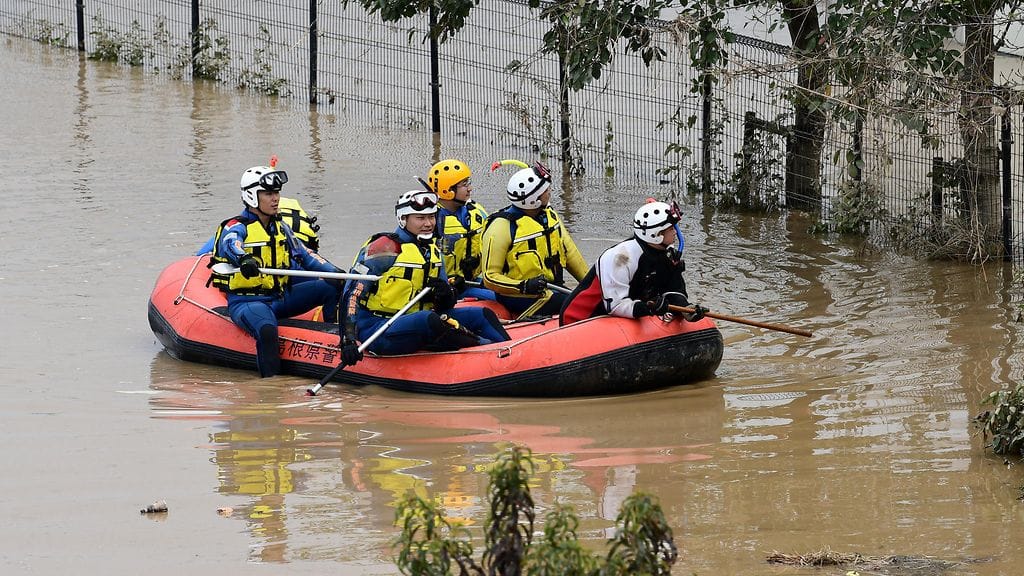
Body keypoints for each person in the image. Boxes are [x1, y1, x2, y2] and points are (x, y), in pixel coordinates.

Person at [209, 162, 346, 377]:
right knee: (266, 330)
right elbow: (231, 244)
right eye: (269, 194)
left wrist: (335, 273)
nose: (276, 199)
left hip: (280, 296)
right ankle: (270, 386)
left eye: (277, 193)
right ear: (253, 196)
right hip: (248, 301)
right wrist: (244, 259)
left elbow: (306, 256)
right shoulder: (236, 227)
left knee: (330, 288)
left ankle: (330, 339)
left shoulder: (281, 227)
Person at [340, 189, 510, 356]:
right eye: (420, 218)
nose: (428, 224)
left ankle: (510, 349)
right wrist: (347, 339)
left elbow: (446, 305)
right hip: (379, 327)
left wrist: (446, 293)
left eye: (431, 217)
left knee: (481, 314)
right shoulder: (383, 248)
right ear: (403, 219)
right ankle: (488, 349)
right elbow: (352, 294)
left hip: (416, 320)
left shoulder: (432, 251)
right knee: (428, 319)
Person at [559, 199, 708, 326]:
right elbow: (616, 305)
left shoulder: (667, 256)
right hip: (579, 320)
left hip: (620, 317)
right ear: (656, 234)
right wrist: (649, 308)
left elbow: (673, 289)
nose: (675, 232)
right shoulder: (621, 257)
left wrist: (685, 310)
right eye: (670, 229)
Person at [480, 161, 589, 317]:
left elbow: (570, 254)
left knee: (582, 300)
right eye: (545, 190)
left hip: (552, 288)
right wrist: (524, 286)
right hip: (519, 295)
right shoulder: (501, 227)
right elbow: (490, 277)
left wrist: (590, 285)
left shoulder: (550, 216)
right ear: (532, 198)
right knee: (570, 303)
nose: (549, 192)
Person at [425, 158, 494, 300]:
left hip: (475, 280)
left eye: (468, 183)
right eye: (464, 184)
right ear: (448, 190)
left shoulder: (476, 211)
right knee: (494, 298)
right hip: (449, 287)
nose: (470, 188)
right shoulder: (431, 220)